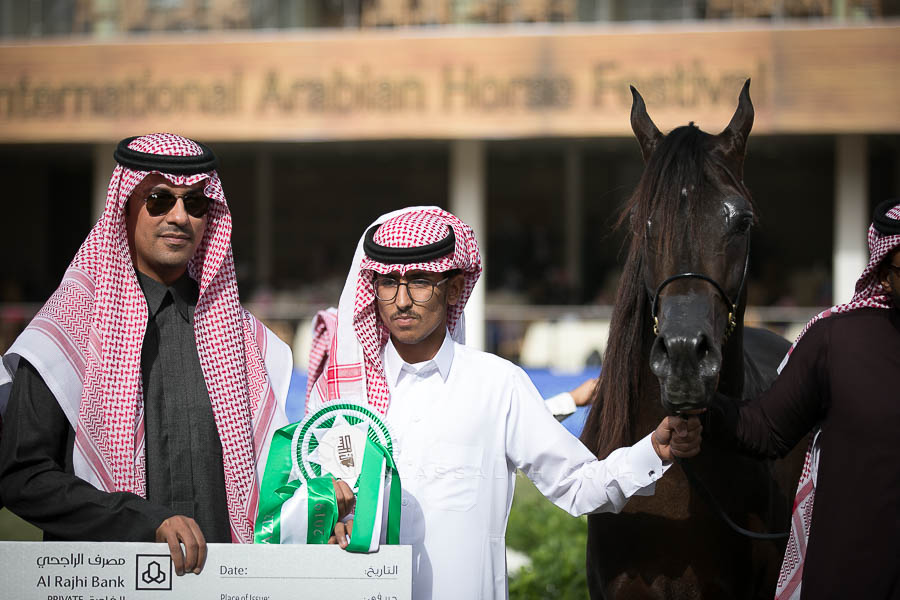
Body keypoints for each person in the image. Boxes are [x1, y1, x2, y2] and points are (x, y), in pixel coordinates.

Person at [304, 206, 702, 600]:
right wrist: (326, 513)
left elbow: (578, 484)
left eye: (420, 281)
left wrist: (653, 451)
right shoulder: (347, 397)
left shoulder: (497, 385)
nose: (402, 300)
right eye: (388, 282)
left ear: (454, 289)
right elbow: (303, 500)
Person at [0, 134, 291, 576]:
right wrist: (142, 521)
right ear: (125, 207)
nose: (180, 217)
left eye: (195, 203)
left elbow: (273, 479)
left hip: (227, 583)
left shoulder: (245, 340)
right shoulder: (66, 332)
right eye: (159, 200)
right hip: (105, 581)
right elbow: (22, 477)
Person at [709, 200, 900, 600]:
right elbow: (766, 429)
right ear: (884, 274)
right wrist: (702, 406)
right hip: (852, 578)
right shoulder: (836, 340)